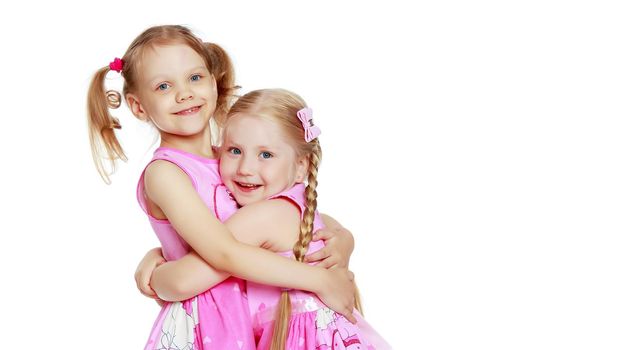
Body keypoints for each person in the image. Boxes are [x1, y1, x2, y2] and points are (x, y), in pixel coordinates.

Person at [86, 25, 356, 350]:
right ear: (139, 106)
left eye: (195, 78)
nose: (184, 93)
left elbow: (286, 212)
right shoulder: (165, 173)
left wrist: (342, 238)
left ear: (213, 82)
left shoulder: (233, 158)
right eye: (163, 86)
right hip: (214, 321)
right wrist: (321, 278)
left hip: (259, 313)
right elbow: (223, 252)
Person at [140, 89, 391, 349]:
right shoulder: (295, 209)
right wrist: (346, 238)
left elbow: (182, 281)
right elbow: (331, 224)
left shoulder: (260, 217)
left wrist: (153, 273)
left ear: (302, 166)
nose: (246, 168)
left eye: (266, 155)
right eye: (235, 150)